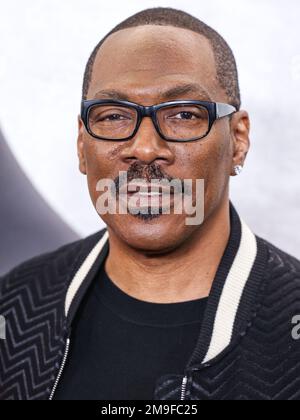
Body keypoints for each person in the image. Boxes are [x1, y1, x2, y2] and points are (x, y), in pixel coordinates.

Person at [1, 7, 299, 401]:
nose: (144, 148)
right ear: (82, 146)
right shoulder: (17, 301)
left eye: (183, 115)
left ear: (238, 141)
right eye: (112, 116)